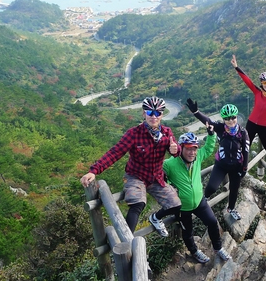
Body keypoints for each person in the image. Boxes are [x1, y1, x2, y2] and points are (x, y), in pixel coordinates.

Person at [80, 96, 182, 237]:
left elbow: (176, 151)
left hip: (156, 177)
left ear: (162, 115)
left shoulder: (166, 133)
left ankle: (155, 218)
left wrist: (175, 150)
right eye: (149, 112)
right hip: (136, 176)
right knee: (137, 204)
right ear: (143, 114)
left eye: (157, 113)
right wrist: (94, 171)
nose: (154, 116)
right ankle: (127, 241)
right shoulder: (134, 134)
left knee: (175, 204)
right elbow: (115, 152)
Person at [163, 128, 232, 263]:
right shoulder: (170, 164)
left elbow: (208, 148)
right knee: (188, 232)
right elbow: (159, 177)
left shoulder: (198, 156)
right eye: (188, 148)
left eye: (194, 148)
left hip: (200, 201)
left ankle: (218, 248)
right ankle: (194, 252)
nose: (192, 152)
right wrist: (170, 185)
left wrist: (211, 134)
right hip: (182, 207)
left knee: (212, 222)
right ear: (181, 148)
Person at [186, 99, 249, 220]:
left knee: (234, 189)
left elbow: (246, 150)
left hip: (237, 166)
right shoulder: (220, 128)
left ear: (236, 117)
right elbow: (208, 121)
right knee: (212, 187)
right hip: (221, 164)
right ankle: (203, 201)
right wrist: (196, 112)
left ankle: (231, 208)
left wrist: (244, 168)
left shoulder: (242, 132)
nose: (230, 121)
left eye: (233, 117)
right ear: (224, 119)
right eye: (227, 118)